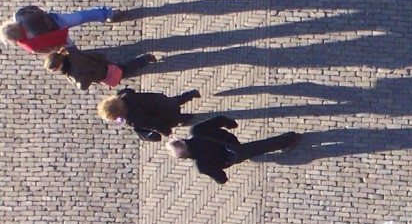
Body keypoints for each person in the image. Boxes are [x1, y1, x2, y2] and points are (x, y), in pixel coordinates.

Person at [165, 116, 300, 184]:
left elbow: (220, 177)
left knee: (260, 147)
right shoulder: (196, 130)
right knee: (255, 148)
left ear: (184, 156)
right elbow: (219, 120)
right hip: (230, 141)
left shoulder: (200, 165)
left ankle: (288, 140)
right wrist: (231, 124)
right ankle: (285, 140)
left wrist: (221, 180)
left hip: (233, 155)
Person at [1, 5, 120, 54]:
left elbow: (46, 49)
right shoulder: (19, 15)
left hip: (58, 36)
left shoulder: (28, 43)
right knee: (82, 16)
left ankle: (86, 60)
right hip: (55, 19)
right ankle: (108, 13)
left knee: (72, 51)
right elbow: (34, 8)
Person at [97, 87, 200, 141]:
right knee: (176, 101)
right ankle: (192, 94)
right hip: (160, 100)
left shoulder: (134, 120)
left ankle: (192, 117)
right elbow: (130, 90)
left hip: (164, 115)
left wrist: (166, 132)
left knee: (178, 118)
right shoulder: (124, 95)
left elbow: (154, 124)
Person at [44, 47, 156, 90]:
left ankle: (145, 60)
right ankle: (145, 59)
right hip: (103, 64)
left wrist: (70, 77)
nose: (55, 71)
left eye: (54, 69)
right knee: (122, 68)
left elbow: (83, 85)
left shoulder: (75, 72)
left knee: (126, 70)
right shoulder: (71, 52)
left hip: (104, 74)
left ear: (58, 65)